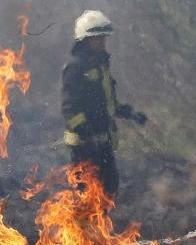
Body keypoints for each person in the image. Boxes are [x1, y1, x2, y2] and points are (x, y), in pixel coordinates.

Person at [61, 10, 147, 197]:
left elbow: (108, 101)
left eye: (103, 38)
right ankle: (82, 226)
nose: (102, 42)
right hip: (83, 145)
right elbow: (70, 107)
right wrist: (86, 132)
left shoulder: (101, 65)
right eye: (97, 38)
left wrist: (130, 113)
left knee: (109, 187)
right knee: (86, 193)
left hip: (103, 140)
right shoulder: (75, 67)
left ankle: (100, 226)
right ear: (84, 40)